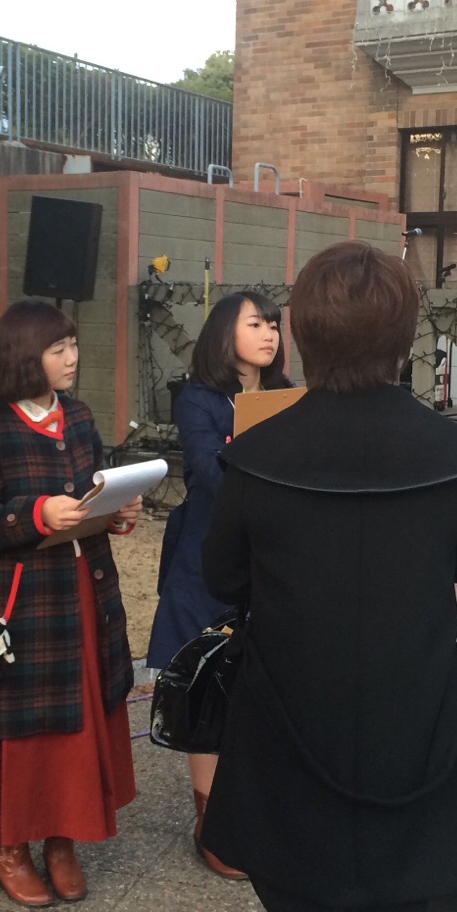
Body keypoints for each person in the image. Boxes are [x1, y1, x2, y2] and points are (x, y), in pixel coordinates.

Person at [201, 241, 457, 912]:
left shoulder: (257, 456)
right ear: (403, 335)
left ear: (304, 333)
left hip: (290, 707)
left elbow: (222, 577)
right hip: (414, 711)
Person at [0, 300, 143, 907]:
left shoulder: (78, 416)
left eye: (73, 345)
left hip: (84, 594)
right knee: (25, 729)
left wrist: (118, 512)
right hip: (25, 605)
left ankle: (63, 840)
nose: (72, 358)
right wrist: (34, 514)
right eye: (58, 349)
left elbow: (92, 493)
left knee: (80, 716)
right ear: (24, 356)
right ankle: (9, 847)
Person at [148, 289, 291, 881]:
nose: (269, 334)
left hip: (274, 559)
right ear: (222, 333)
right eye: (255, 324)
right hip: (209, 559)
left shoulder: (288, 396)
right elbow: (208, 472)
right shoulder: (199, 399)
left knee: (265, 682)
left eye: (274, 325)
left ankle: (258, 806)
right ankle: (209, 817)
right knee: (207, 683)